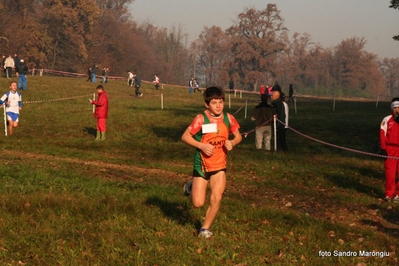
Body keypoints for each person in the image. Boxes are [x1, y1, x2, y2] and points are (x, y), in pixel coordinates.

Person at [181, 86, 242, 238]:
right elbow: (185, 137)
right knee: (198, 203)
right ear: (207, 104)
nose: (218, 105)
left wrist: (232, 143)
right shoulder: (201, 119)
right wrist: (201, 145)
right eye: (214, 102)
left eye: (220, 102)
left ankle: (204, 229)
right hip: (202, 165)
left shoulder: (229, 118)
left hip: (220, 165)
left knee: (217, 197)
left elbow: (238, 136)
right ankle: (191, 185)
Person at [380, 97, 399, 202]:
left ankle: (398, 195)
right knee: (390, 173)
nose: (397, 110)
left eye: (398, 107)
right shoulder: (387, 119)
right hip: (390, 149)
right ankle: (389, 194)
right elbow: (382, 134)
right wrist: (383, 148)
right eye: (394, 107)